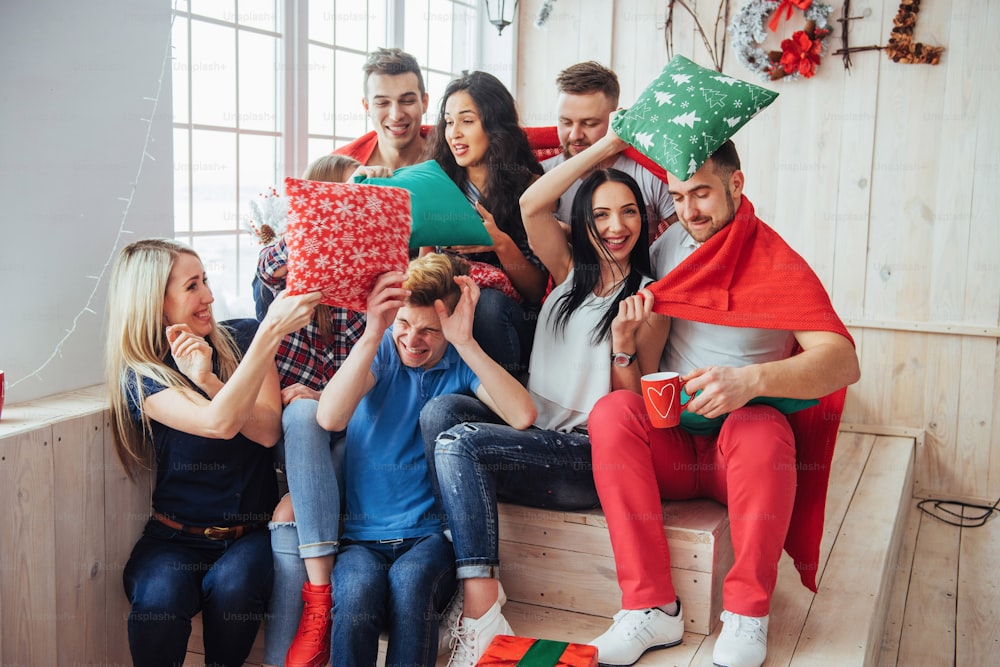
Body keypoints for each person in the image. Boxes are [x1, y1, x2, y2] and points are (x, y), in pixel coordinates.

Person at [586, 140, 861, 667]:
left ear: (737, 186)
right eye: (678, 196)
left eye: (703, 194)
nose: (689, 211)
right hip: (674, 446)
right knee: (609, 412)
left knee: (761, 426)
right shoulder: (667, 251)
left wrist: (751, 380)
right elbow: (640, 372)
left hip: (738, 459)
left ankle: (747, 613)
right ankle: (650, 608)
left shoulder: (777, 262)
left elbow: (843, 361)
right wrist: (626, 344)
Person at [428, 129, 671, 666]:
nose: (616, 226)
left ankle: (480, 609)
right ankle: (459, 562)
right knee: (441, 413)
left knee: (458, 445)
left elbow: (634, 413)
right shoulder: (566, 273)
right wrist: (610, 148)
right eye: (602, 213)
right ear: (583, 219)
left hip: (581, 459)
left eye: (629, 213)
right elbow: (531, 202)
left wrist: (625, 348)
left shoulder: (649, 299)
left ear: (644, 220)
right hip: (529, 436)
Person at [311, 253, 536, 666]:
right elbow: (329, 416)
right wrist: (375, 329)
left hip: (428, 539)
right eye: (404, 324)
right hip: (362, 536)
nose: (412, 341)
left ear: (451, 326)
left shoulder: (460, 366)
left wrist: (464, 342)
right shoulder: (382, 352)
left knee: (411, 583)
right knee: (357, 594)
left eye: (430, 331)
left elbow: (522, 415)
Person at [105, 238, 320, 667]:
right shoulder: (142, 376)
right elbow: (217, 424)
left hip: (249, 536)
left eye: (205, 280)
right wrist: (273, 332)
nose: (209, 296)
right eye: (192, 286)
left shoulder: (242, 336)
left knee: (234, 588)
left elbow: (264, 431)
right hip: (174, 537)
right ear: (155, 302)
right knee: (158, 601)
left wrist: (208, 379)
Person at [254, 154, 390, 667]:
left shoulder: (369, 283)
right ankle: (317, 602)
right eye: (339, 203)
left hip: (355, 440)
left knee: (289, 515)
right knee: (296, 417)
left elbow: (365, 389)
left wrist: (372, 208)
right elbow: (269, 262)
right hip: (302, 448)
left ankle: (317, 602)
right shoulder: (285, 280)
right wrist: (331, 214)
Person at [425, 70, 549, 373]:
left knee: (488, 305)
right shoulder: (436, 180)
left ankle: (508, 397)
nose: (454, 133)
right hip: (448, 307)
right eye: (449, 122)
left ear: (494, 126)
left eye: (467, 121)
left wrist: (499, 242)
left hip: (507, 321)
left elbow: (536, 291)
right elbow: (424, 267)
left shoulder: (530, 186)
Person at [541, 61, 676, 243]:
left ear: (616, 118)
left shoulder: (649, 172)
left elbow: (683, 239)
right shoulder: (541, 176)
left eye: (590, 123)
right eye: (565, 122)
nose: (575, 135)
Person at [335, 46, 431, 170]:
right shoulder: (338, 170)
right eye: (382, 103)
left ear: (424, 102)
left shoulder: (453, 154)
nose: (396, 116)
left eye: (407, 101)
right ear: (367, 107)